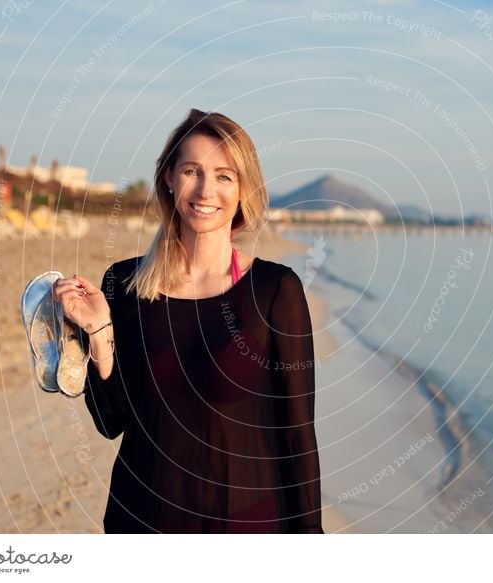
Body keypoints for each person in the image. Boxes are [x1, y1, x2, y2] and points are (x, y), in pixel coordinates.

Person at [52, 108, 323, 533]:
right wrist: (98, 333)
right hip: (143, 519)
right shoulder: (124, 284)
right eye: (192, 171)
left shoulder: (275, 290)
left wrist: (311, 538)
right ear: (169, 178)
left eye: (224, 175)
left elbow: (297, 433)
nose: (205, 189)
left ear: (242, 189)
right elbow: (110, 423)